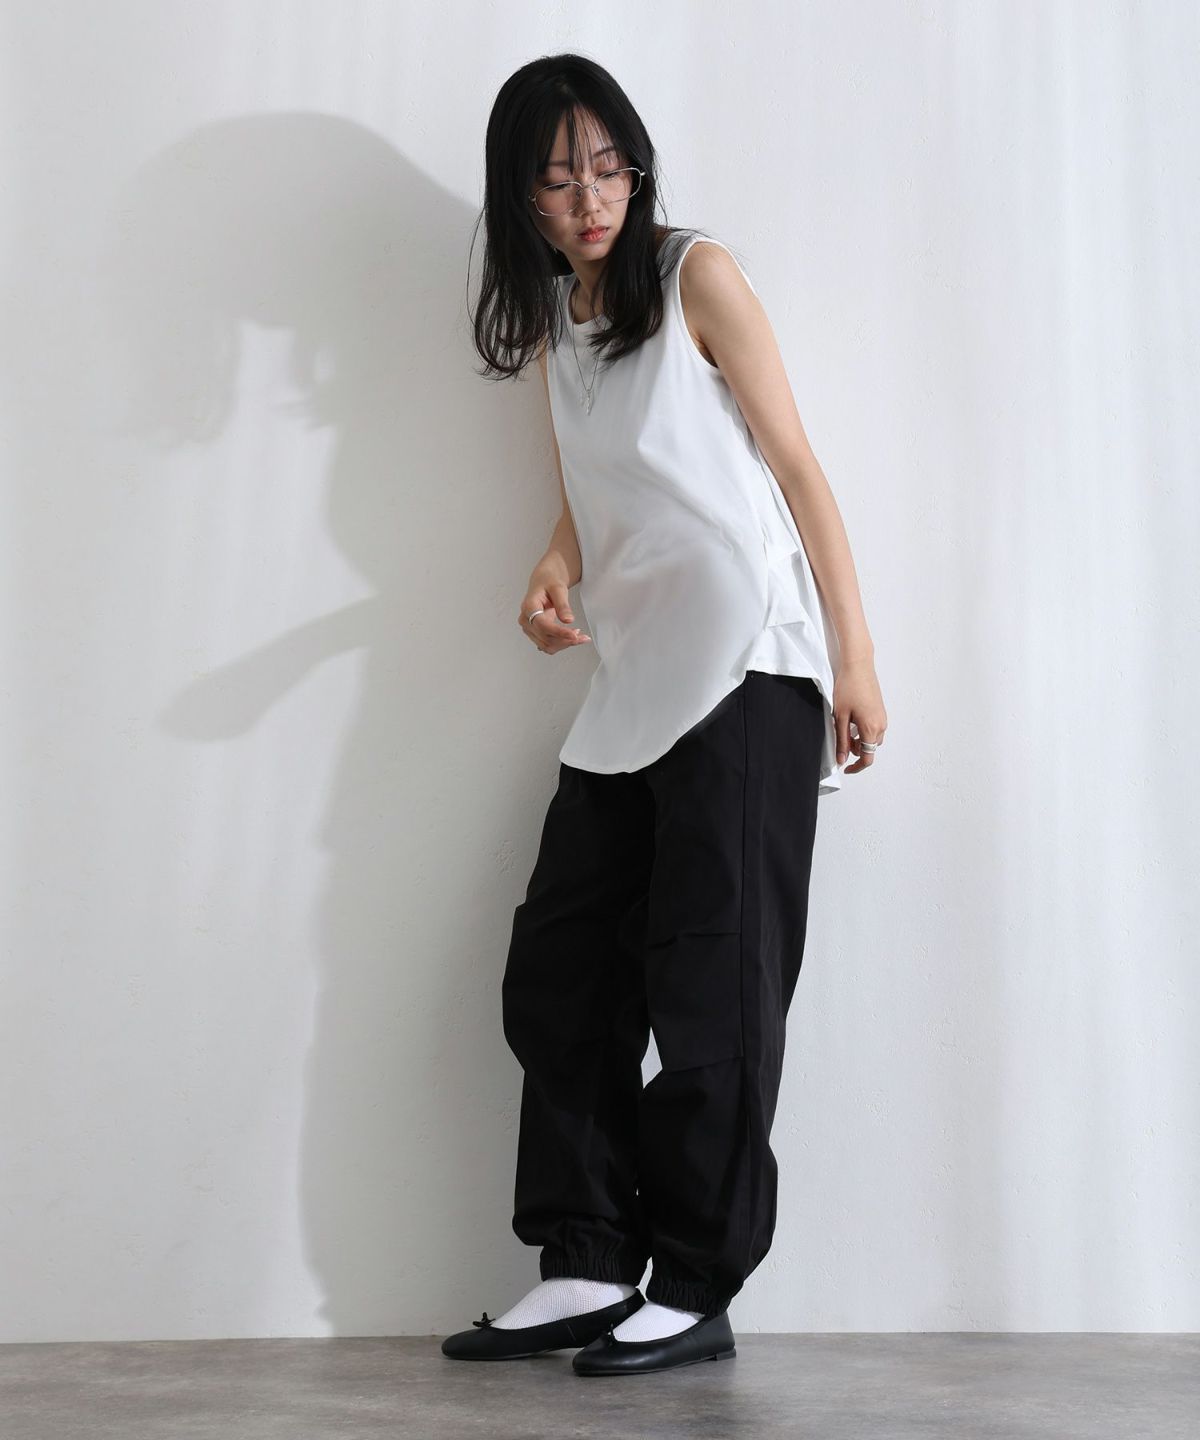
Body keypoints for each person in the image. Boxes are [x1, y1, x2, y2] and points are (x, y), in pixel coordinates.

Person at [443, 54, 887, 1377]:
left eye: (607, 167)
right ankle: (587, 1259)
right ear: (520, 196)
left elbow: (795, 466)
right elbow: (600, 485)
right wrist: (554, 564)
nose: (589, 199)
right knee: (563, 967)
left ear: (637, 169)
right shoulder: (557, 322)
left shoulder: (699, 276)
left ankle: (693, 1284)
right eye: (556, 176)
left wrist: (856, 661)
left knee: (714, 982)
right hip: (634, 677)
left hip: (749, 664)